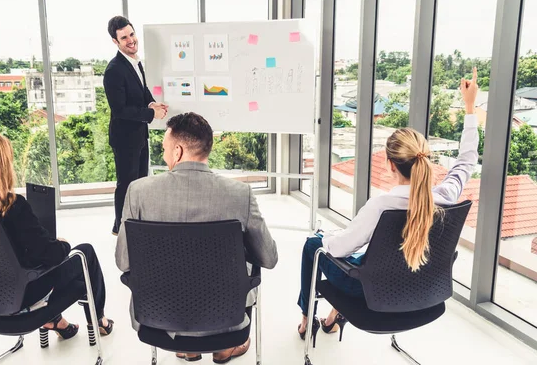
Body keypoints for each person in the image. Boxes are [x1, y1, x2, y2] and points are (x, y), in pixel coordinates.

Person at [296, 68, 480, 340]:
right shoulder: (447, 196)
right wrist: (469, 106)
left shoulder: (382, 205)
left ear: (390, 164)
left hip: (376, 291)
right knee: (363, 256)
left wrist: (327, 236)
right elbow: (467, 160)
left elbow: (341, 247)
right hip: (423, 286)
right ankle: (333, 318)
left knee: (316, 245)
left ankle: (305, 317)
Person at [115, 112, 278, 363]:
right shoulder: (240, 194)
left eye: (165, 148)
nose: (164, 154)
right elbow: (269, 258)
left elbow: (123, 262)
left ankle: (188, 347)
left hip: (159, 319)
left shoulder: (138, 192)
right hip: (226, 319)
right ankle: (224, 348)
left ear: (178, 151)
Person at [0, 133, 113, 339]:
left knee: (33, 261)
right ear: (1, 164)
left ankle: (55, 321)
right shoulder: (11, 205)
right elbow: (51, 257)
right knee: (84, 253)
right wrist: (62, 245)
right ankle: (98, 321)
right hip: (17, 298)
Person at [104, 15, 169, 235]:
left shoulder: (135, 62)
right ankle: (119, 227)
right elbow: (120, 110)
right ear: (116, 41)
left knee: (141, 181)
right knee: (126, 184)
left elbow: (142, 91)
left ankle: (137, 222)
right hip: (124, 139)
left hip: (139, 134)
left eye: (131, 34)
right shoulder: (114, 70)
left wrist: (152, 102)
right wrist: (151, 113)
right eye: (124, 38)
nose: (131, 40)